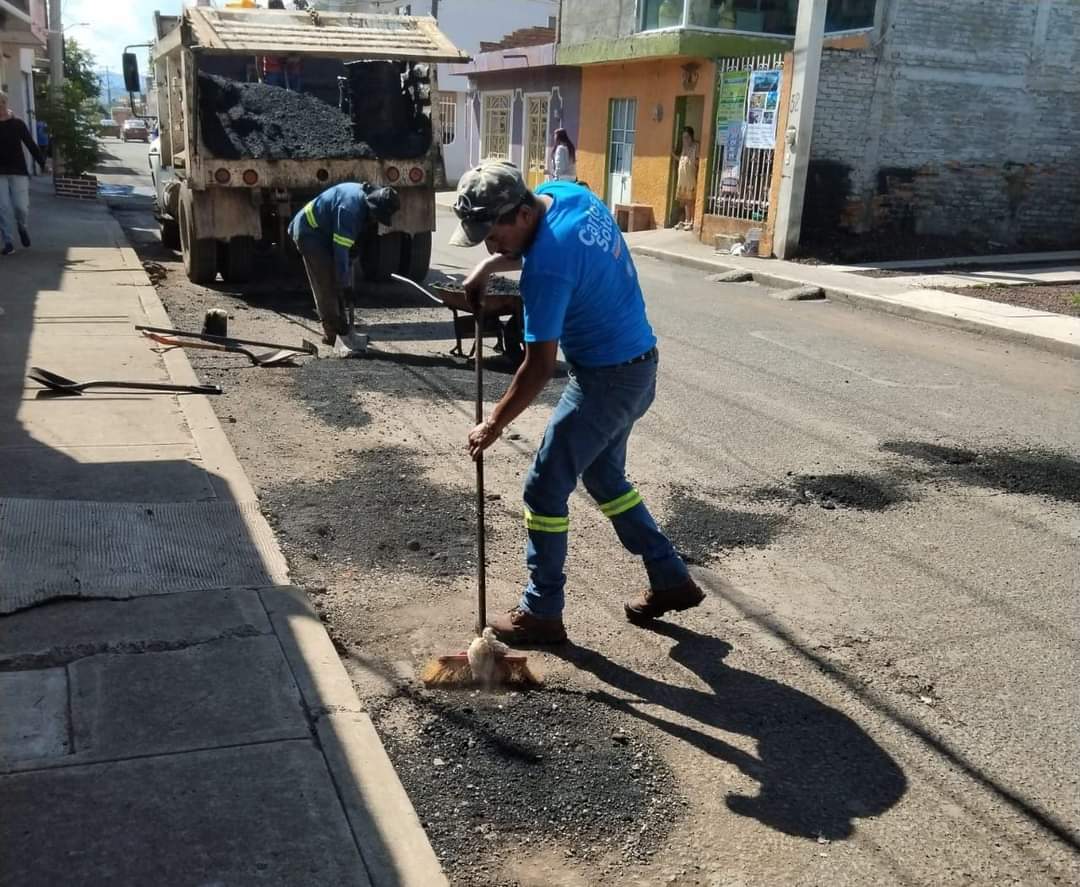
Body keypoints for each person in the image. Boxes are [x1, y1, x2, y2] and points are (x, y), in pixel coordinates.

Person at [451, 160, 704, 644]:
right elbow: (557, 253)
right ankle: (670, 577)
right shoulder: (566, 195)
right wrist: (490, 264)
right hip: (639, 365)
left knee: (544, 490)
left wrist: (493, 424)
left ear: (522, 214)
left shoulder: (544, 272)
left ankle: (542, 611)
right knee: (604, 477)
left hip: (606, 381)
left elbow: (538, 368)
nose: (491, 244)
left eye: (493, 234)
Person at [288, 182, 399, 345]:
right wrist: (346, 286)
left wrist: (353, 251)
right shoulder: (349, 210)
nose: (375, 219)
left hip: (325, 231)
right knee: (327, 283)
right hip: (309, 233)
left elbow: (347, 245)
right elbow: (341, 254)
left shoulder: (366, 196)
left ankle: (343, 329)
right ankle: (332, 333)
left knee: (338, 280)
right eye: (376, 215)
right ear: (372, 207)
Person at [0, 91, 47, 256]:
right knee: (2, 208)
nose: (0, 107)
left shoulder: (17, 124)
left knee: (21, 207)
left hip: (18, 170)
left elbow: (30, 144)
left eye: (2, 103)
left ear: (6, 103)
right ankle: (8, 242)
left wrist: (42, 162)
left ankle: (22, 226)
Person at [672, 125, 699, 230]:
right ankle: (685, 220)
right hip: (682, 178)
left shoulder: (695, 147)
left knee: (690, 200)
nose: (685, 140)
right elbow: (681, 160)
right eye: (683, 137)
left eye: (687, 137)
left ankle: (691, 221)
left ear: (691, 137)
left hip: (690, 177)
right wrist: (673, 154)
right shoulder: (684, 148)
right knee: (684, 200)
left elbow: (697, 160)